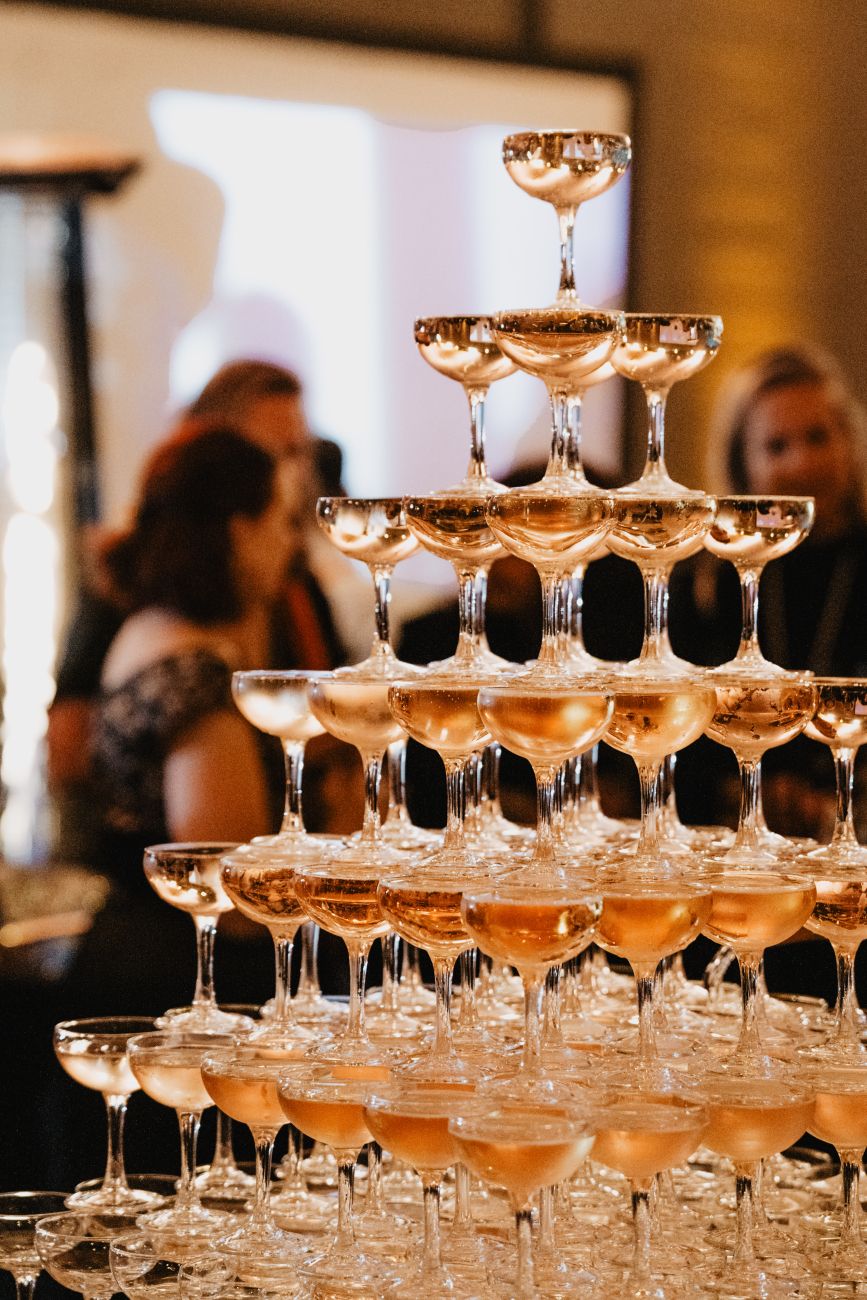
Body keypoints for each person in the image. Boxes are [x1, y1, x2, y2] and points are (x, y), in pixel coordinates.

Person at [47, 359, 356, 861]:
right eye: (277, 451)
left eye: (301, 449)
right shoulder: (145, 616)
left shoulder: (294, 588)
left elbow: (336, 716)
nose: (298, 471)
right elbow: (70, 754)